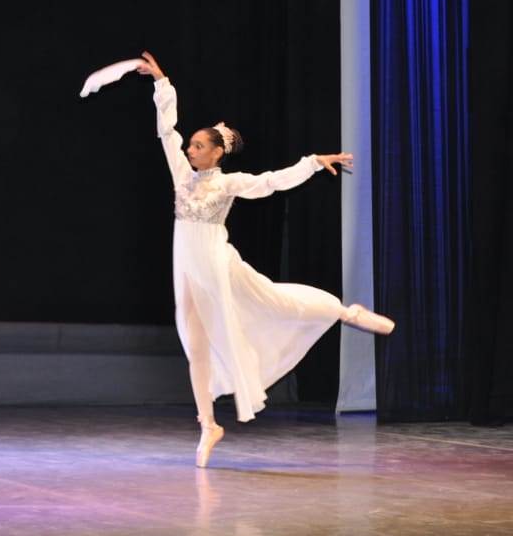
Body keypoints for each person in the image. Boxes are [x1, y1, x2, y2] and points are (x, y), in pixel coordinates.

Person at [135, 50, 394, 468]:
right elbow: (168, 132)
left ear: (217, 153)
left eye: (198, 145)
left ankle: (346, 312)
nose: (191, 149)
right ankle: (208, 425)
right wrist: (161, 82)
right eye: (192, 145)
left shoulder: (229, 183)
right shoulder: (182, 175)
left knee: (274, 301)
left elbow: (271, 182)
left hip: (217, 265)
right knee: (195, 348)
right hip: (185, 267)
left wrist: (313, 163)